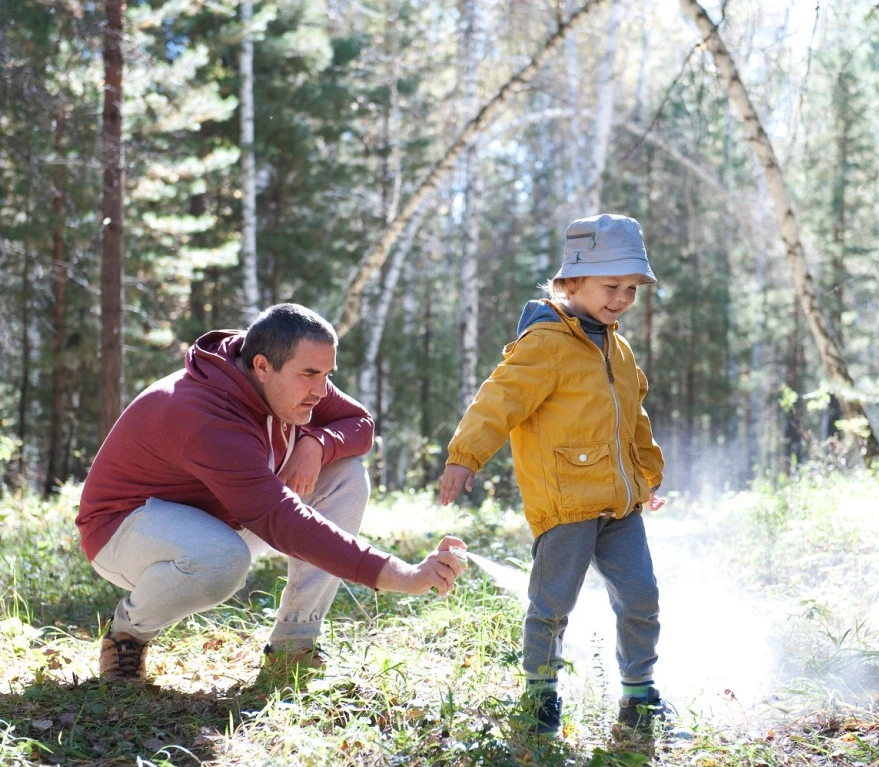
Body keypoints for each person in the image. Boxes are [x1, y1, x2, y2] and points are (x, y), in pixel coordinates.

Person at [78, 303, 466, 683]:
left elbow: (360, 423)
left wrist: (317, 445)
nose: (320, 390)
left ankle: (294, 644)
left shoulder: (283, 379)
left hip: (225, 516)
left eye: (327, 374)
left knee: (346, 473)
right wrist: (404, 575)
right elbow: (284, 522)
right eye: (310, 374)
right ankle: (128, 634)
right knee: (221, 560)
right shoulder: (206, 416)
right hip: (125, 530)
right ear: (262, 366)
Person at [439, 214, 666, 735]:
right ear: (571, 282)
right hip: (565, 504)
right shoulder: (544, 344)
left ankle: (639, 692)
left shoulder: (619, 347)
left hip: (620, 506)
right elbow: (498, 402)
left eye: (631, 288)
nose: (622, 298)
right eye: (612, 286)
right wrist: (464, 456)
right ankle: (541, 692)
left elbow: (633, 419)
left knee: (642, 597)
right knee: (552, 603)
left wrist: (647, 476)